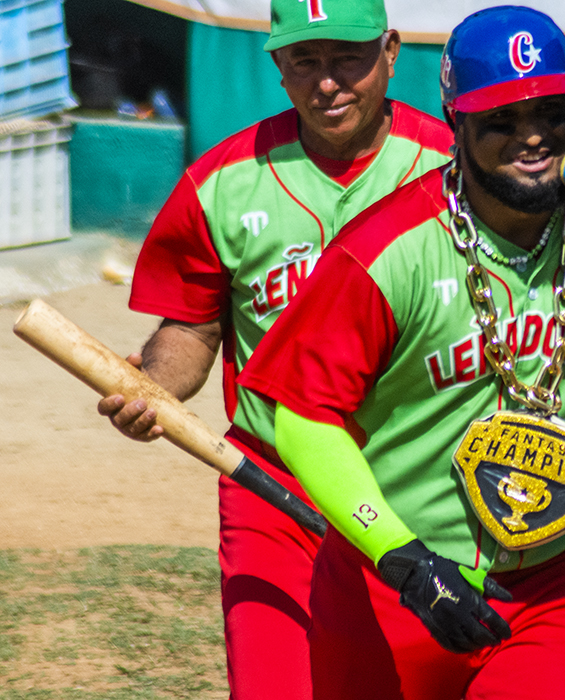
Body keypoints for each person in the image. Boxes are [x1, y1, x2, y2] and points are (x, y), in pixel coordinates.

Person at [238, 6, 565, 699]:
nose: (533, 136)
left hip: (554, 583)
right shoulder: (383, 250)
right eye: (501, 121)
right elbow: (304, 420)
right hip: (387, 591)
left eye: (551, 112)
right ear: (457, 127)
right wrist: (401, 559)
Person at [95, 0, 453, 697]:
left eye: (347, 57)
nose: (328, 82)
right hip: (273, 492)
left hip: (418, 482)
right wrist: (156, 388)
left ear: (391, 52)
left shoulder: (453, 169)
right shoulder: (222, 183)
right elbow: (193, 328)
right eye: (305, 61)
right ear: (278, 69)